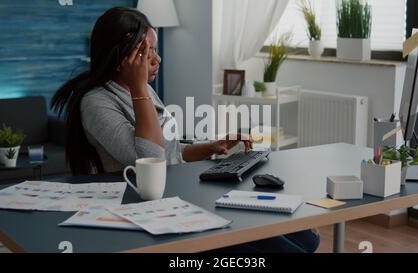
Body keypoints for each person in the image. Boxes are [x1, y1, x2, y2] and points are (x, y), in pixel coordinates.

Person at [51, 7, 319, 253]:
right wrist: (139, 87)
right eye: (149, 51)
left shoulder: (140, 90)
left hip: (176, 198)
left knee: (308, 238)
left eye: (156, 50)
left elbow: (168, 149)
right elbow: (150, 158)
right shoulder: (97, 102)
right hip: (143, 215)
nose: (157, 59)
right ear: (123, 56)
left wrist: (210, 147)